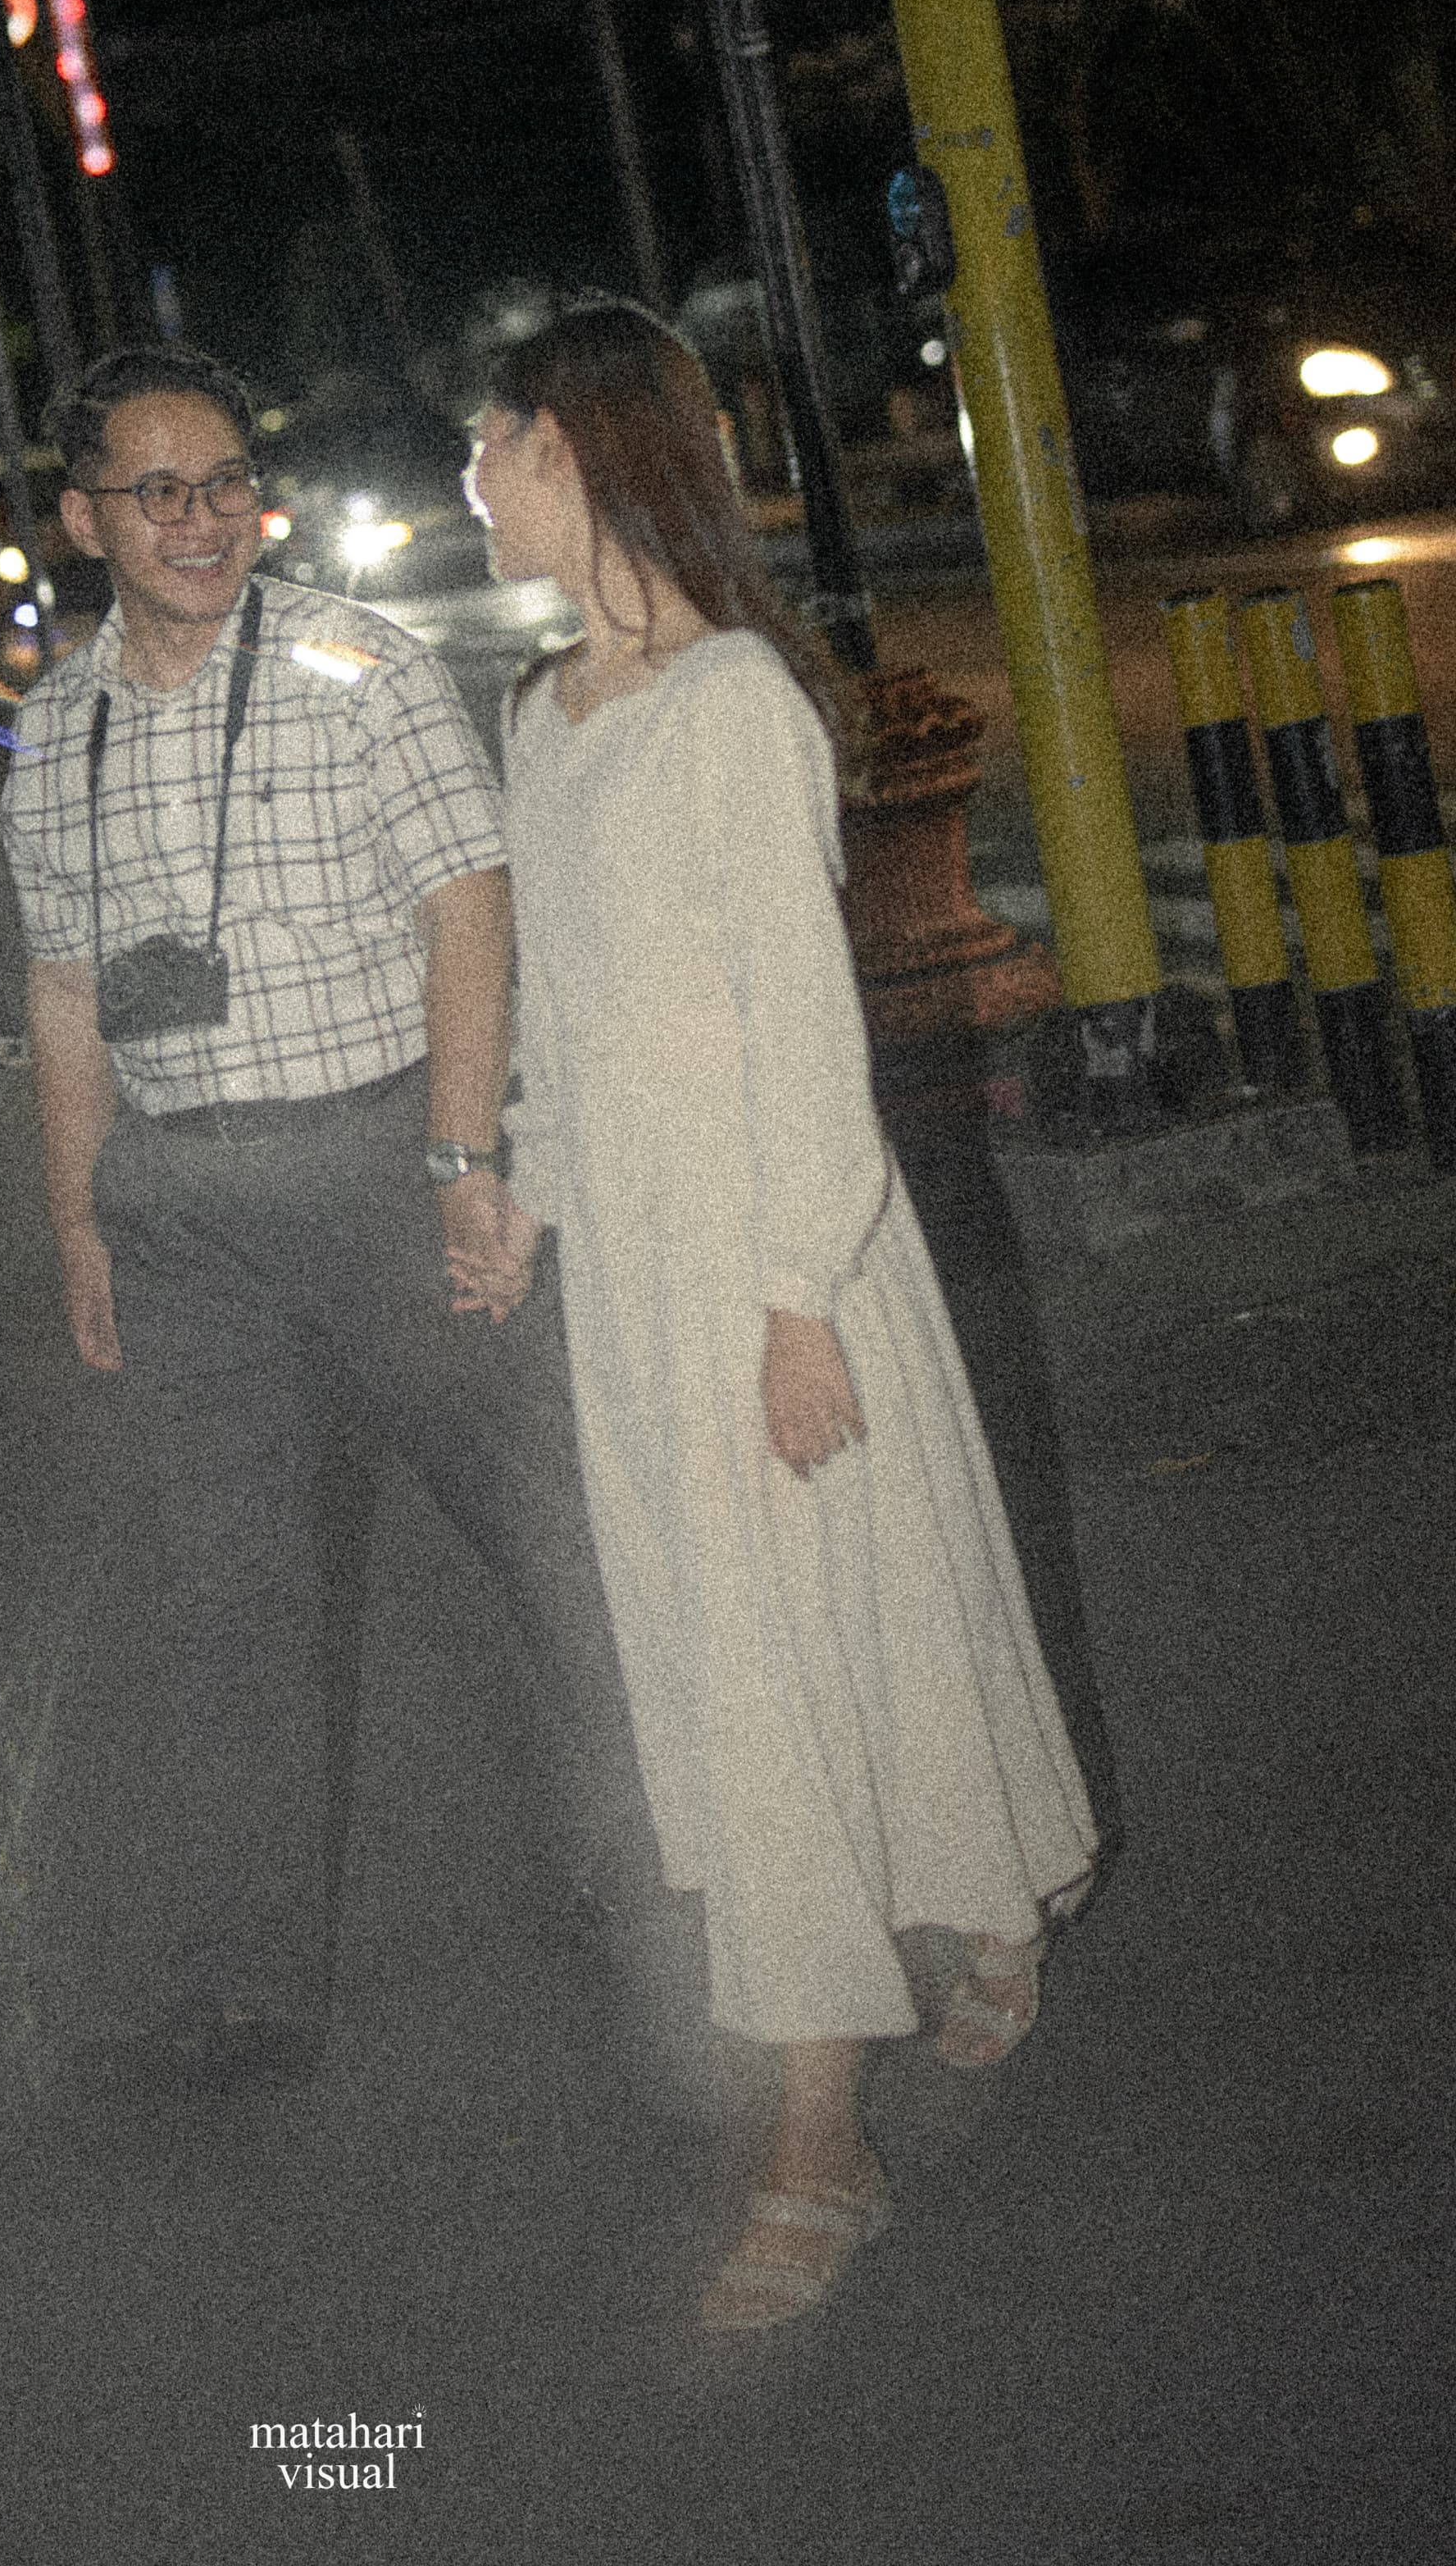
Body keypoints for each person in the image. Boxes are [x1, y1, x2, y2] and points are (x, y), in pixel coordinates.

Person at [453, 302, 1099, 2333]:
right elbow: (560, 1009)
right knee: (824, 1617)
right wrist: (525, 1194)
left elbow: (807, 1030)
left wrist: (797, 1300)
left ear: (573, 448)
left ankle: (819, 2143)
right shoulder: (543, 711)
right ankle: (1003, 1877)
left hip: (768, 1248)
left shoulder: (734, 706)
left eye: (489, 442)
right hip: (634, 1282)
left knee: (782, 1650)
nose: (472, 480)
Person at [0, 342, 669, 2094]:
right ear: (82, 519)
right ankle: (250, 1986)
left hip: (378, 1168)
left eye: (226, 482)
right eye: (158, 491)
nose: (202, 519)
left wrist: (458, 1161)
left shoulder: (357, 670)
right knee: (229, 1602)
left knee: (546, 1528)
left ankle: (673, 1854)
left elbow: (469, 905)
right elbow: (64, 994)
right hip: (182, 1213)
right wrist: (80, 1223)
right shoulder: (53, 727)